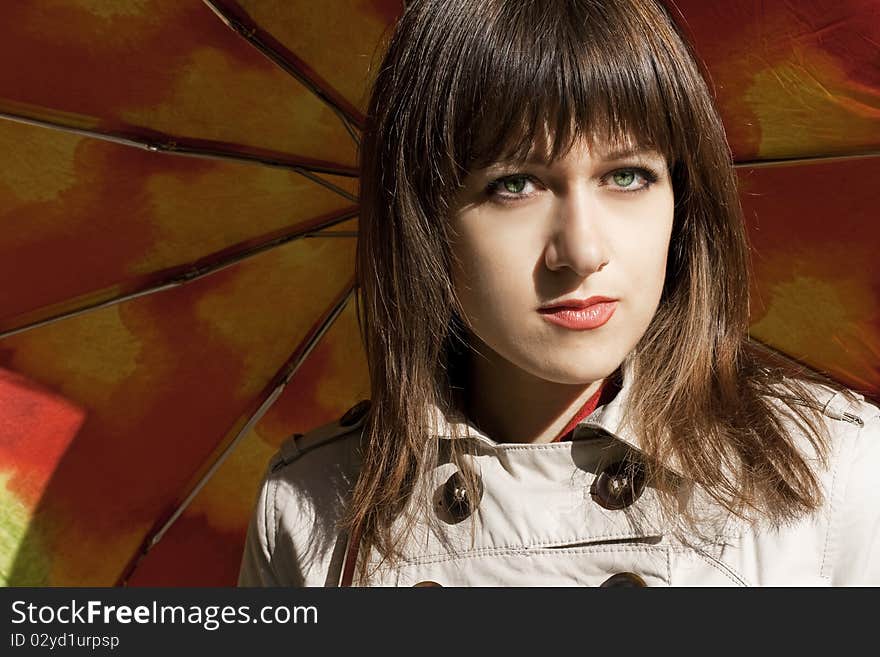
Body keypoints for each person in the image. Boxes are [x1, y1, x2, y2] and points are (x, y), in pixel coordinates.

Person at [238, 0, 880, 586]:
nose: (581, 251)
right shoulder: (311, 510)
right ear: (425, 219)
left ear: (682, 201)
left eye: (627, 176)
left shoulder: (831, 477)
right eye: (515, 185)